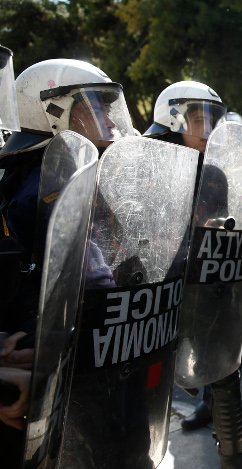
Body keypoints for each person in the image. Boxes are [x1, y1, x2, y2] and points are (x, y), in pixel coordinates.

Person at [0, 57, 136, 466]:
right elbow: (94, 277)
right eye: (95, 105)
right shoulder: (48, 184)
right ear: (54, 111)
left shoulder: (51, 172)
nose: (109, 117)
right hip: (64, 355)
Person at [145, 80, 242, 469]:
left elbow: (224, 223)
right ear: (173, 119)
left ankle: (233, 454)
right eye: (200, 119)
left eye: (214, 119)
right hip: (161, 291)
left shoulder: (216, 172)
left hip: (207, 286)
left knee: (224, 369)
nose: (209, 129)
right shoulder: (151, 165)